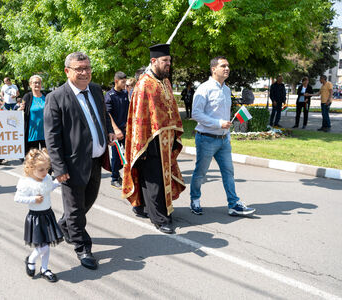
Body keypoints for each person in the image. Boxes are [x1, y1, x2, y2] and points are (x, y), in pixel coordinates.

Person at [44, 51, 115, 270]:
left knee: (87, 202)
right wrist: (59, 168)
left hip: (95, 160)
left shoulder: (95, 90)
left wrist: (108, 131)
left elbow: (101, 114)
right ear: (67, 71)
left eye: (87, 68)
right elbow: (52, 137)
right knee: (75, 210)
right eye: (79, 69)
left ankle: (64, 226)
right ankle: (82, 247)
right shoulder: (56, 97)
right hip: (71, 165)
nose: (85, 73)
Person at [122, 44, 186, 234]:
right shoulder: (144, 84)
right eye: (165, 61)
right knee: (154, 180)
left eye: (169, 61)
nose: (169, 65)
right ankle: (159, 218)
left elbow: (171, 109)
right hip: (149, 140)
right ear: (153, 61)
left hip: (166, 138)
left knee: (158, 178)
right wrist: (142, 143)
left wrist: (174, 134)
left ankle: (147, 207)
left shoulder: (165, 82)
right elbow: (140, 116)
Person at [190, 56, 256, 217]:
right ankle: (195, 200)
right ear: (214, 69)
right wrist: (218, 123)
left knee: (228, 172)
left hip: (224, 140)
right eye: (223, 66)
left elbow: (224, 114)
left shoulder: (227, 90)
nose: (227, 68)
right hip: (206, 138)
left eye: (228, 66)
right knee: (200, 172)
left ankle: (233, 204)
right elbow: (196, 113)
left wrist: (226, 129)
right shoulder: (203, 89)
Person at [14, 148, 63, 282]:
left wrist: (58, 181)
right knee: (44, 247)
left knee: (46, 246)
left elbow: (49, 187)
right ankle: (31, 259)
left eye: (47, 168)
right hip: (35, 218)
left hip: (48, 215)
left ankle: (44, 269)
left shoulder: (46, 178)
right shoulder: (26, 182)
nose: (45, 172)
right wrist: (33, 199)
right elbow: (17, 198)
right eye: (41, 169)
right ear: (30, 168)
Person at [105, 71, 129, 189]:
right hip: (115, 131)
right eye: (122, 82)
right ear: (116, 81)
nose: (125, 84)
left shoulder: (125, 93)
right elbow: (108, 114)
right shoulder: (109, 96)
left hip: (126, 129)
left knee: (128, 154)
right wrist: (115, 129)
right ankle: (114, 178)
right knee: (116, 155)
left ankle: (127, 177)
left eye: (125, 81)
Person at [19, 75, 47, 153]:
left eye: (39, 83)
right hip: (32, 133)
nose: (37, 85)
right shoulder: (27, 97)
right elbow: (20, 110)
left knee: (47, 157)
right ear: (30, 84)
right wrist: (20, 108)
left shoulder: (46, 96)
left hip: (45, 132)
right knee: (33, 159)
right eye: (35, 83)